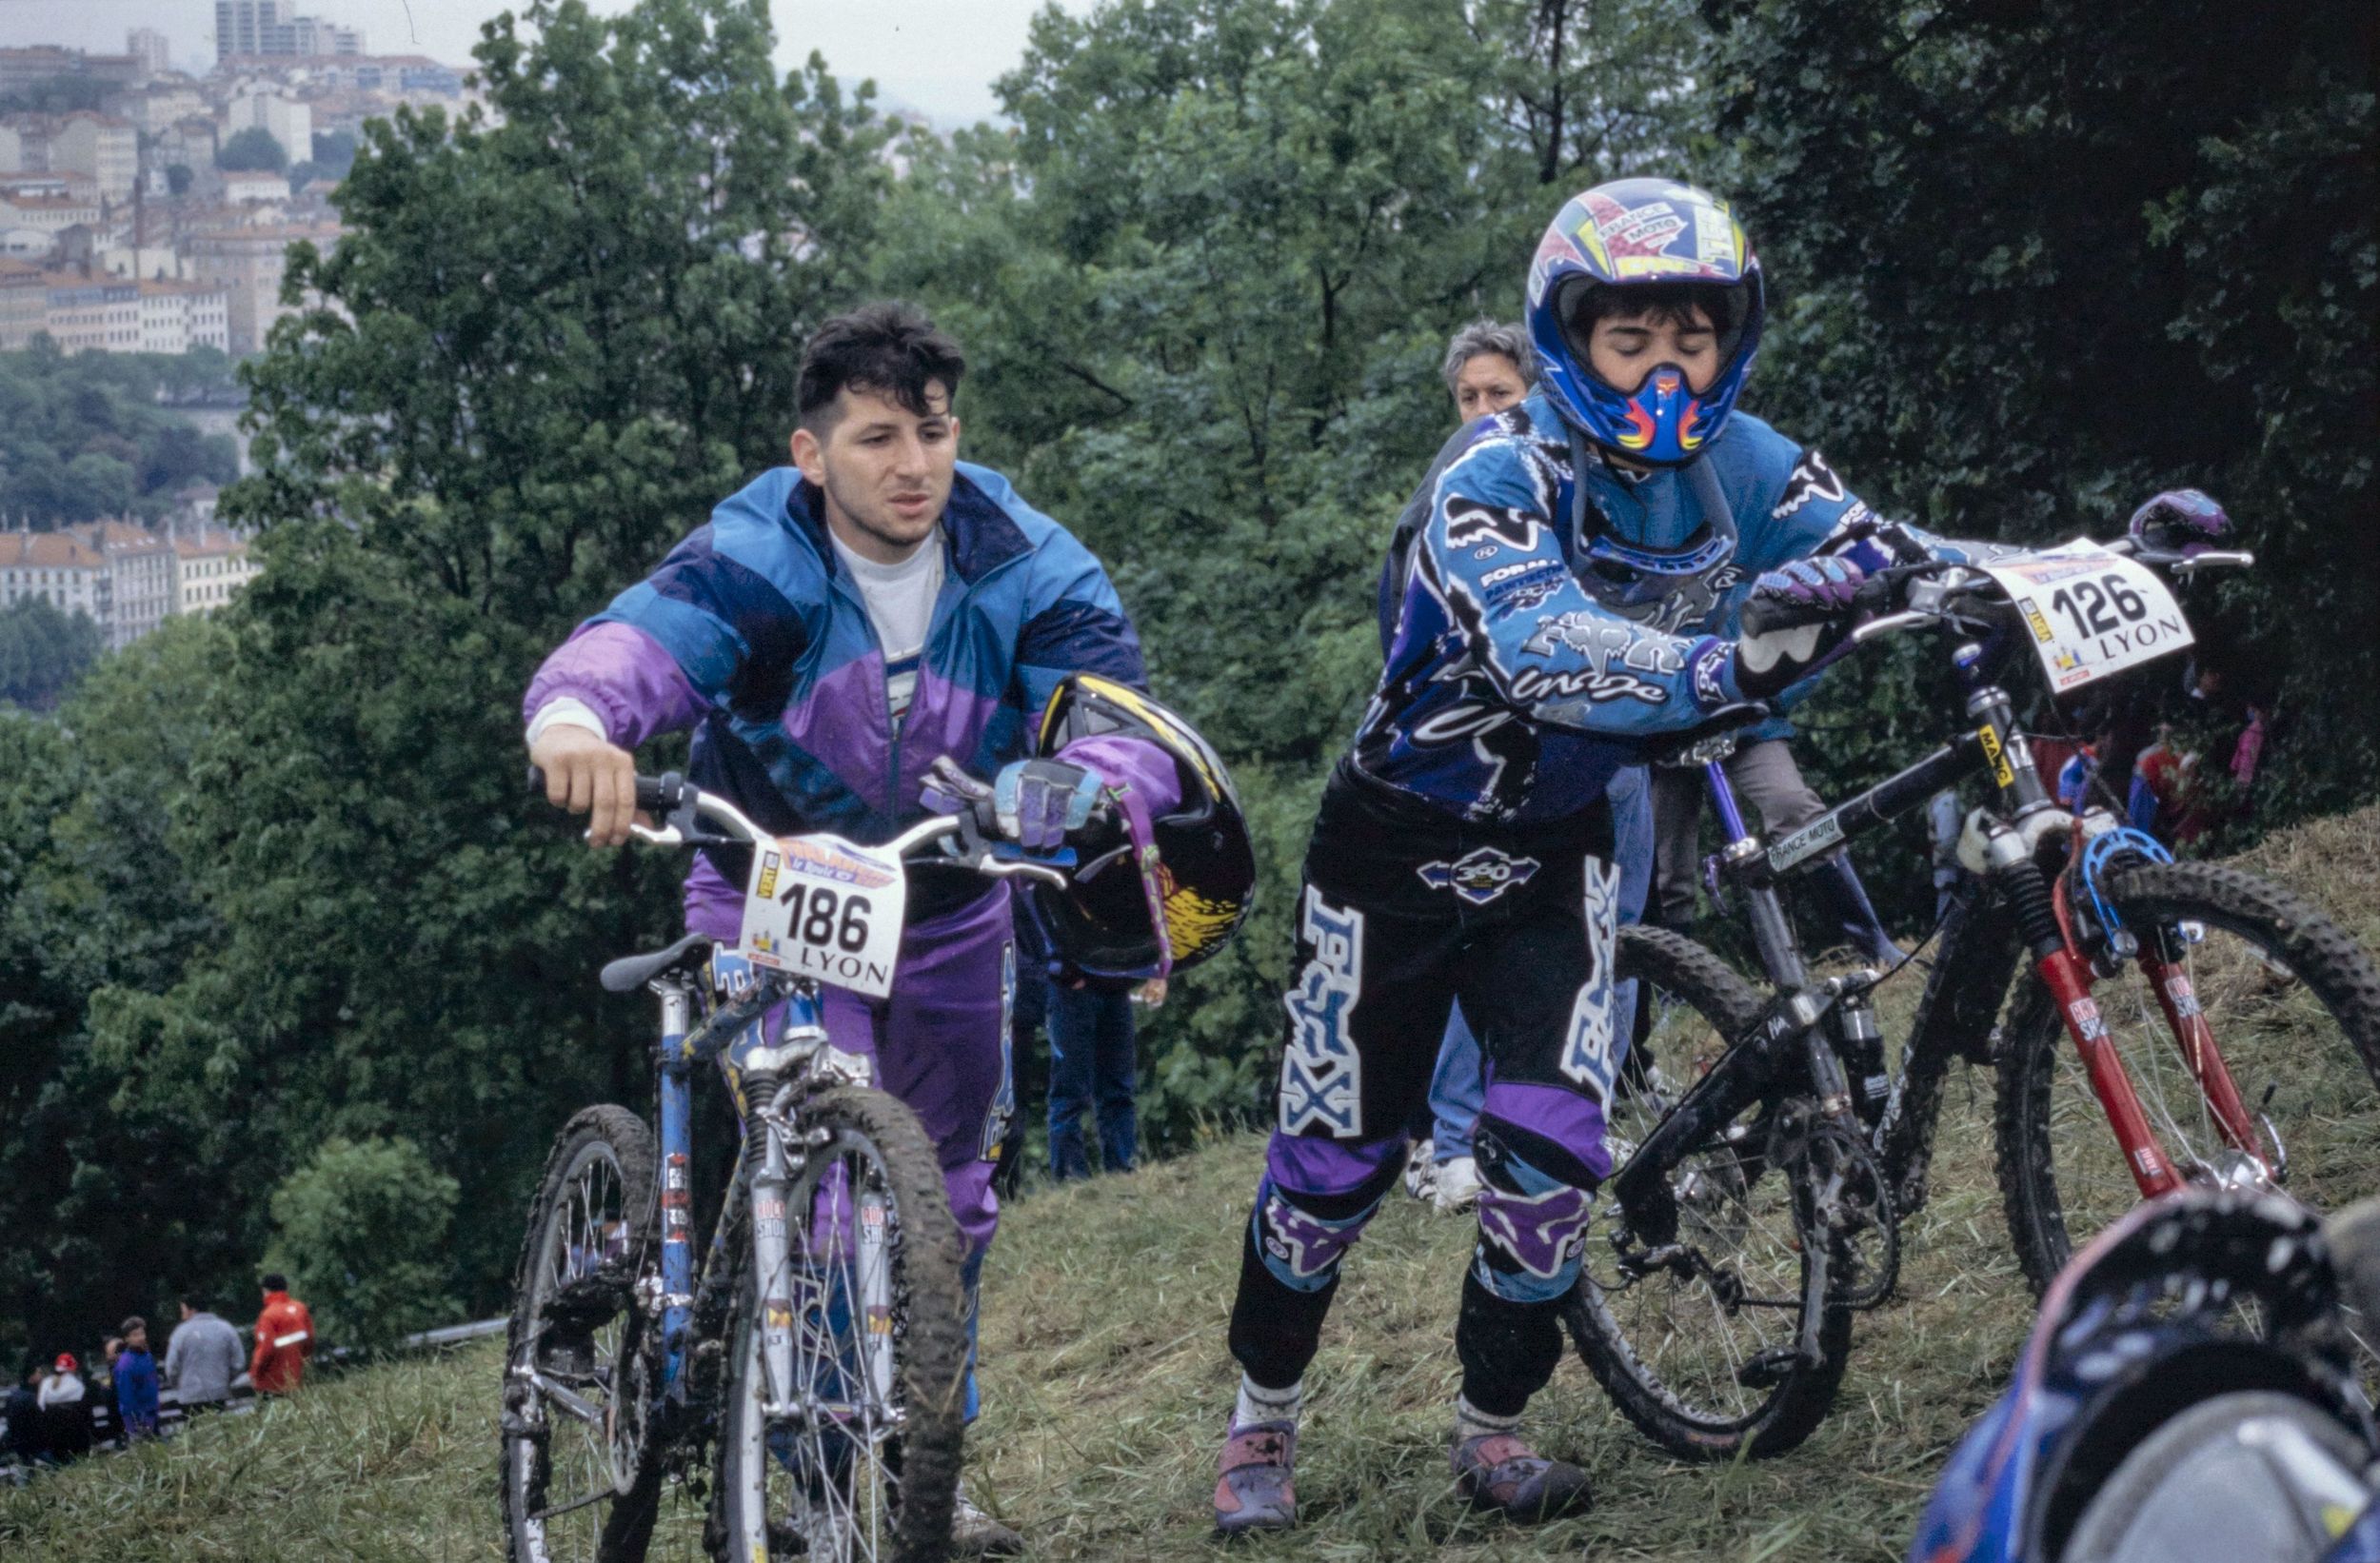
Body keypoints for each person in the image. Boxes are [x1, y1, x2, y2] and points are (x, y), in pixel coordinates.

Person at [1212, 176, 2012, 1536]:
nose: (1663, 369)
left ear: (1732, 339)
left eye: (1690, 339)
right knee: (1332, 1167)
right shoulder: (1494, 473)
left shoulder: (1751, 461)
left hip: (1557, 847)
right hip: (1394, 846)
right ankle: (1259, 1422)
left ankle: (1494, 1428)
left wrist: (2077, 564)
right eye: (1628, 340)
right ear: (1567, 337)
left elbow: (1899, 552)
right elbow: (1544, 650)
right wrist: (1733, 655)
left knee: (1549, 1161)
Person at [523, 301, 1252, 1553]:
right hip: (774, 870)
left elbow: (1107, 700)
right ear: (812, 456)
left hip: (952, 890)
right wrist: (577, 722)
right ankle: (800, 1469)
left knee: (944, 1199)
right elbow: (649, 637)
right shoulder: (762, 551)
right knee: (817, 1160)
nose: (913, 465)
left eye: (931, 431)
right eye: (875, 439)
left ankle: (923, 1452)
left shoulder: (1019, 548)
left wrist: (1092, 785)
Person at [1403, 321, 1657, 1214]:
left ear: (1535, 390)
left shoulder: (1596, 468)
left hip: (1612, 733)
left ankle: (1582, 1118)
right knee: (1490, 934)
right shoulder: (1450, 487)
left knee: (1616, 937)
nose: (1481, 411)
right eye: (1467, 397)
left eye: (1497, 395)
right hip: (1496, 749)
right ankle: (1455, 1142)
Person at [165, 1296, 246, 1414]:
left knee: (195, 1429)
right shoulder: (226, 1328)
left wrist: (180, 1385)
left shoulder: (180, 1332)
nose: (182, 1315)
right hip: (218, 1393)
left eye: (183, 1311)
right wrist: (224, 1379)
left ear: (192, 1310)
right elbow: (239, 1363)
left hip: (190, 1396)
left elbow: (171, 1368)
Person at [250, 1274, 315, 1395]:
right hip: (298, 1377)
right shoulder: (300, 1308)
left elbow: (265, 1350)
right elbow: (310, 1339)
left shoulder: (268, 1315)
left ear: (265, 1290)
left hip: (272, 1381)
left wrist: (255, 1373)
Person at [112, 1318, 159, 1441]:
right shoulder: (124, 1364)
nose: (140, 1338)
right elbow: (126, 1397)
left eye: (142, 1333)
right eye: (135, 1335)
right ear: (127, 1339)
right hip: (138, 1419)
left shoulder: (147, 1356)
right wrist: (133, 1425)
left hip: (152, 1412)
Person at [36, 1353, 89, 1460]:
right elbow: (84, 1409)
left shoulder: (46, 1383)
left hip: (53, 1431)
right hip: (75, 1430)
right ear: (71, 1369)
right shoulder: (76, 1384)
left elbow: (40, 1405)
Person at [5, 1361, 48, 1468]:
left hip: (17, 1444)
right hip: (33, 1446)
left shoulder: (14, 1395)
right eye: (39, 1373)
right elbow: (41, 1422)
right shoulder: (31, 1398)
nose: (41, 1376)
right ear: (32, 1376)